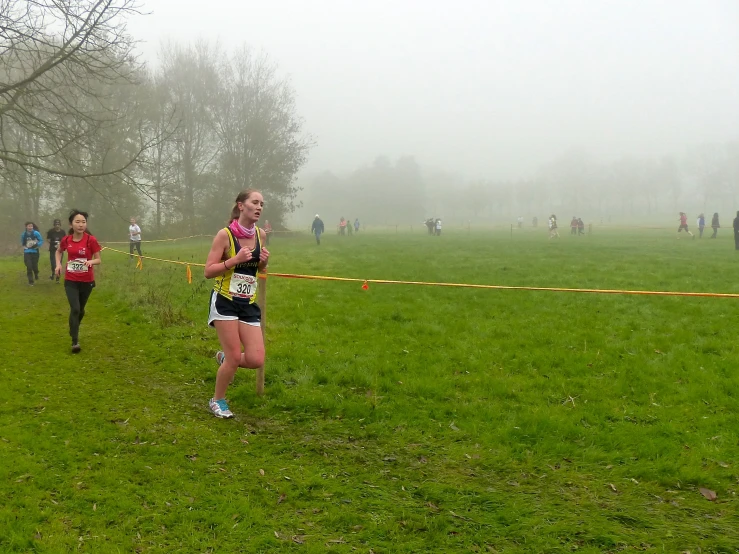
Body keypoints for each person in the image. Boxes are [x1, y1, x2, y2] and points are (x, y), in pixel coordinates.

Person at [204, 189, 270, 419]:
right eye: (255, 202)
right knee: (234, 357)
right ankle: (217, 400)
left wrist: (264, 262)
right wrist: (234, 260)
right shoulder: (225, 235)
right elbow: (208, 271)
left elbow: (257, 270)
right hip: (225, 302)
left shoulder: (260, 235)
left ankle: (225, 359)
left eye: (262, 203)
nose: (259, 207)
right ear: (241, 206)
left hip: (248, 303)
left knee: (255, 359)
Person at [55, 210, 102, 353]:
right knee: (75, 308)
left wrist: (90, 261)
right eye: (77, 222)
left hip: (87, 281)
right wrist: (58, 264)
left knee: (80, 310)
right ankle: (75, 341)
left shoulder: (90, 240)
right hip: (71, 280)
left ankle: (73, 327)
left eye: (83, 222)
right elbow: (59, 251)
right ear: (71, 224)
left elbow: (98, 259)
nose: (81, 225)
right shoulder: (66, 240)